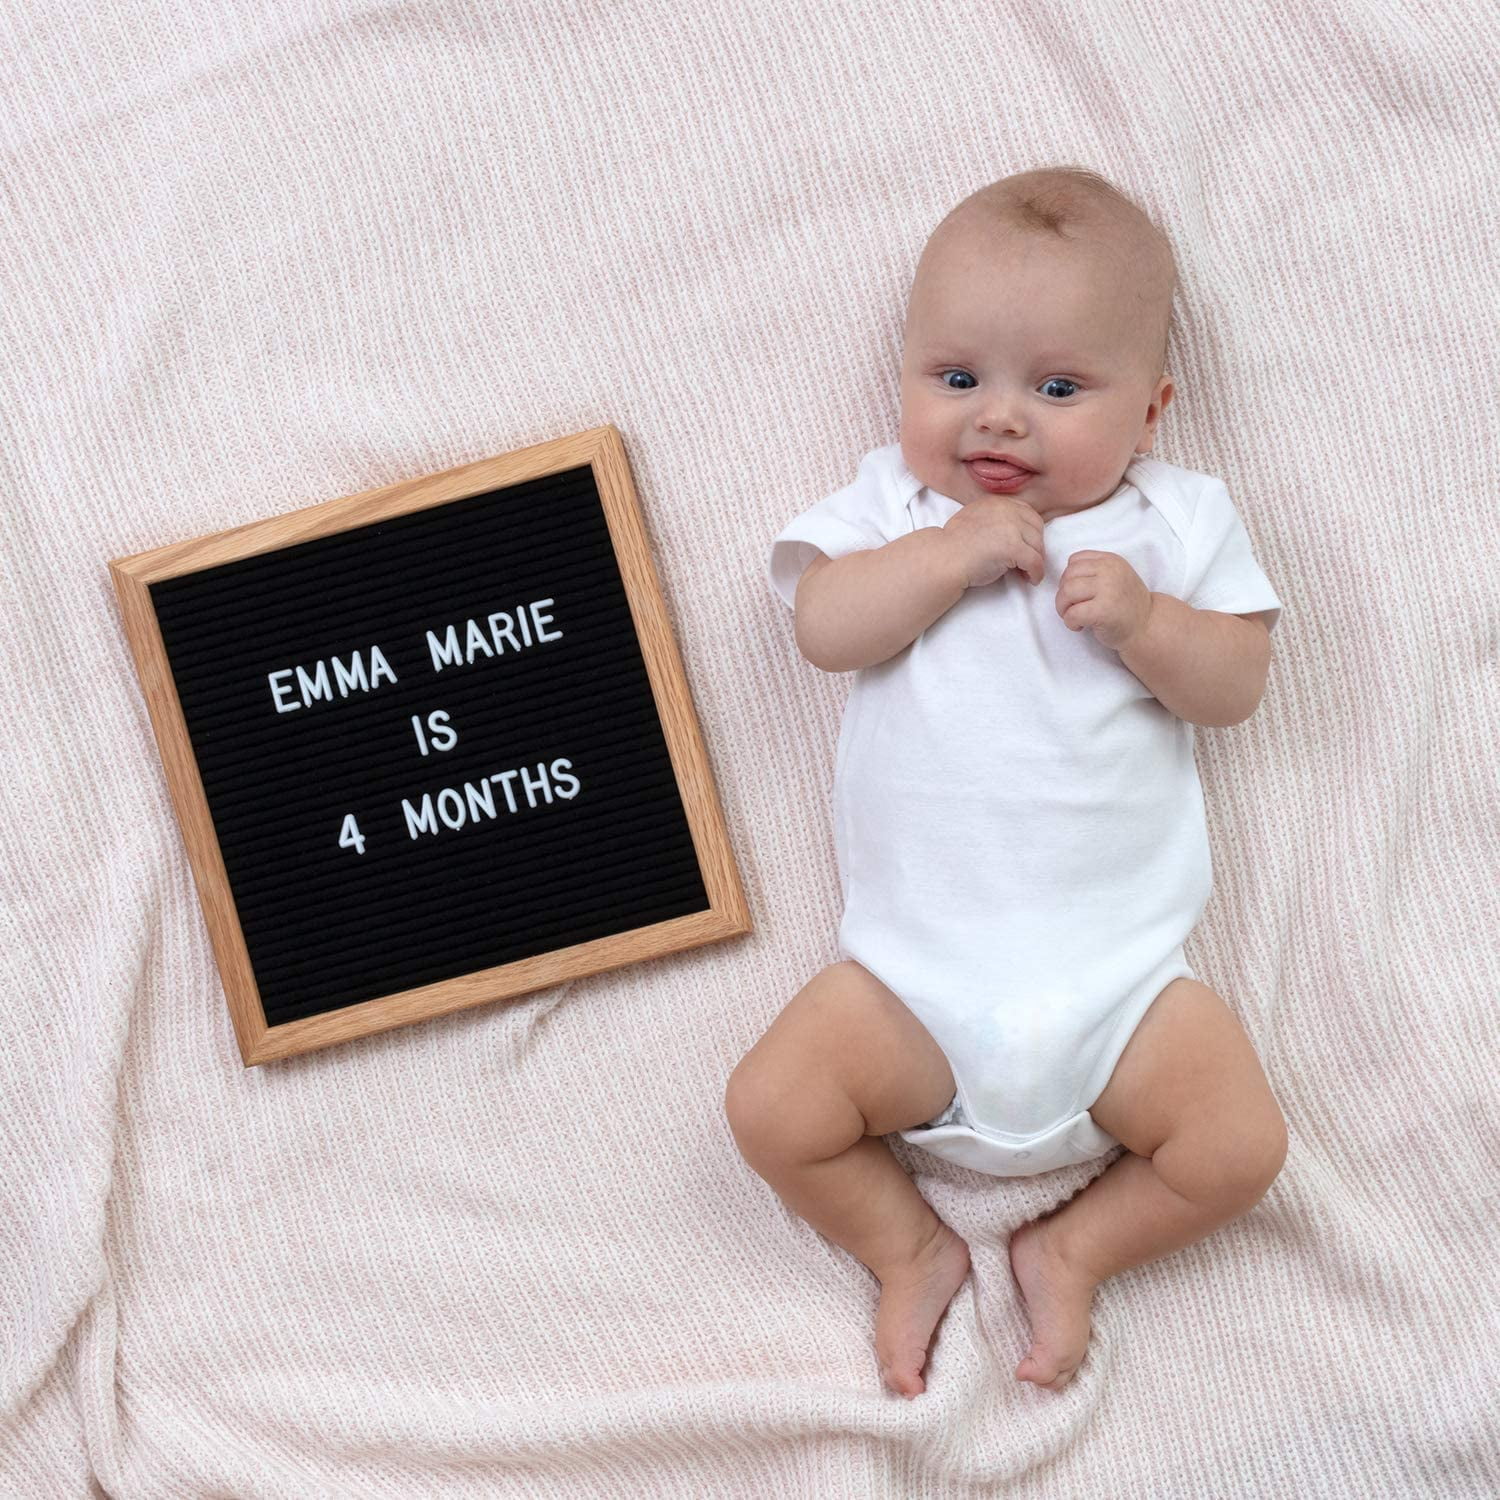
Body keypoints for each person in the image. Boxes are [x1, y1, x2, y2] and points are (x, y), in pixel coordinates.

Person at [727, 165, 1289, 1399]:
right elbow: (825, 624)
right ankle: (907, 1246)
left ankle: (1074, 1248)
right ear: (908, 378)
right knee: (773, 1110)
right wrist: (943, 557)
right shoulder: (893, 507)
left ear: (1150, 414)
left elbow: (1238, 681)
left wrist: (1147, 624)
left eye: (1057, 386)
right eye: (958, 378)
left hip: (1123, 989)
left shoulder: (1174, 521)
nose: (998, 420)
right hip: (912, 984)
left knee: (1243, 1148)